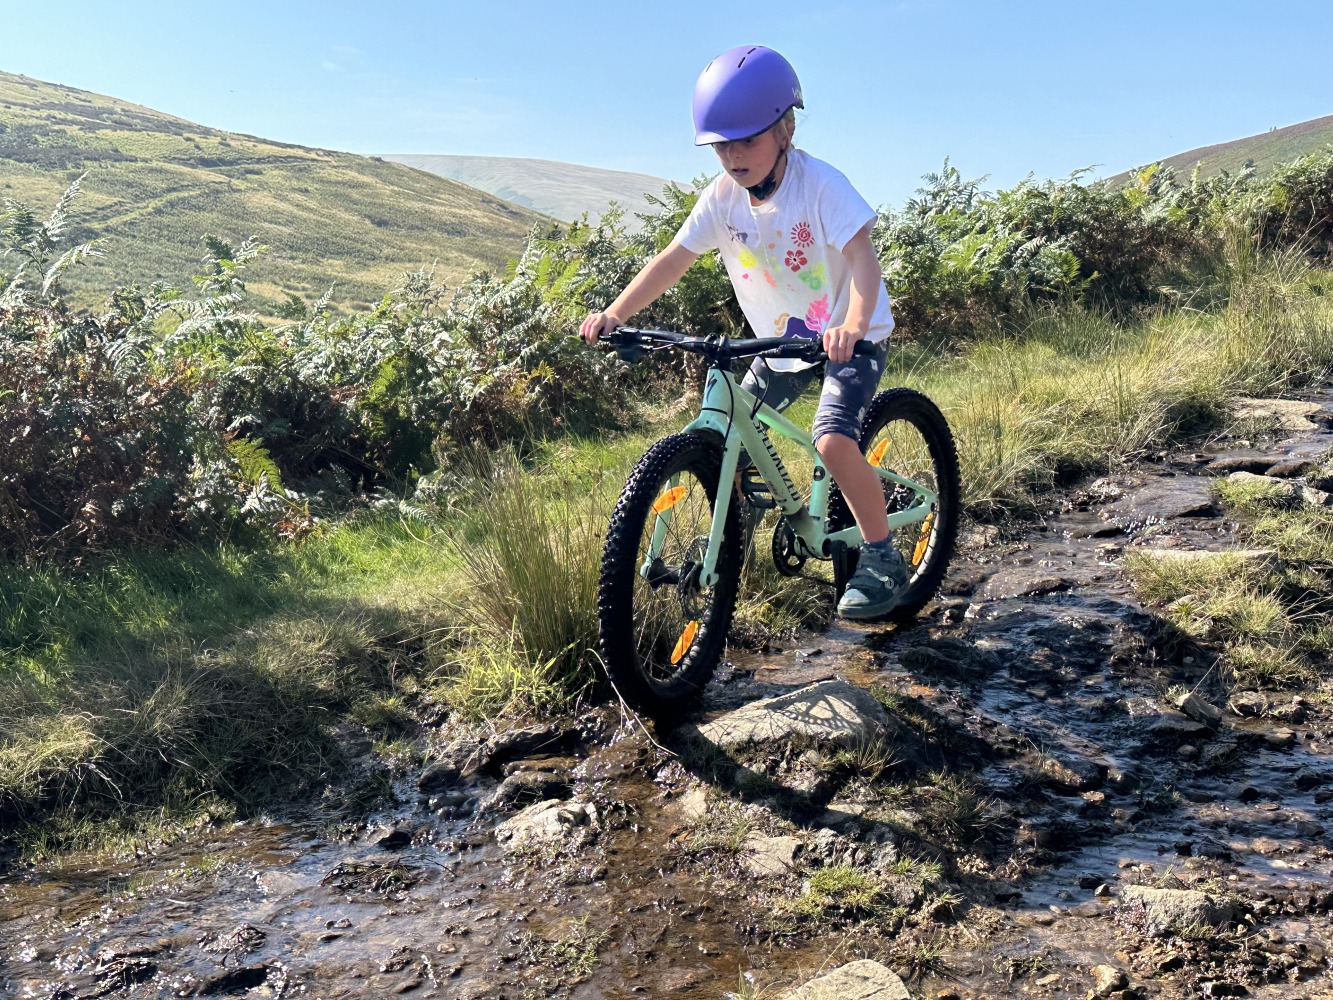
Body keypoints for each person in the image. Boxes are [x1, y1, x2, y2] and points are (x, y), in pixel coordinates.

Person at [579, 44, 904, 620]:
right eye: (721, 145)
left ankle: (883, 555)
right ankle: (744, 505)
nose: (733, 156)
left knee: (830, 440)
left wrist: (852, 325)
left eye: (747, 140)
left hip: (850, 339)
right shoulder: (723, 200)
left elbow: (863, 258)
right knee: (722, 418)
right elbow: (673, 259)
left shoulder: (820, 186)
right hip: (780, 346)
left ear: (785, 130)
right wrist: (617, 313)